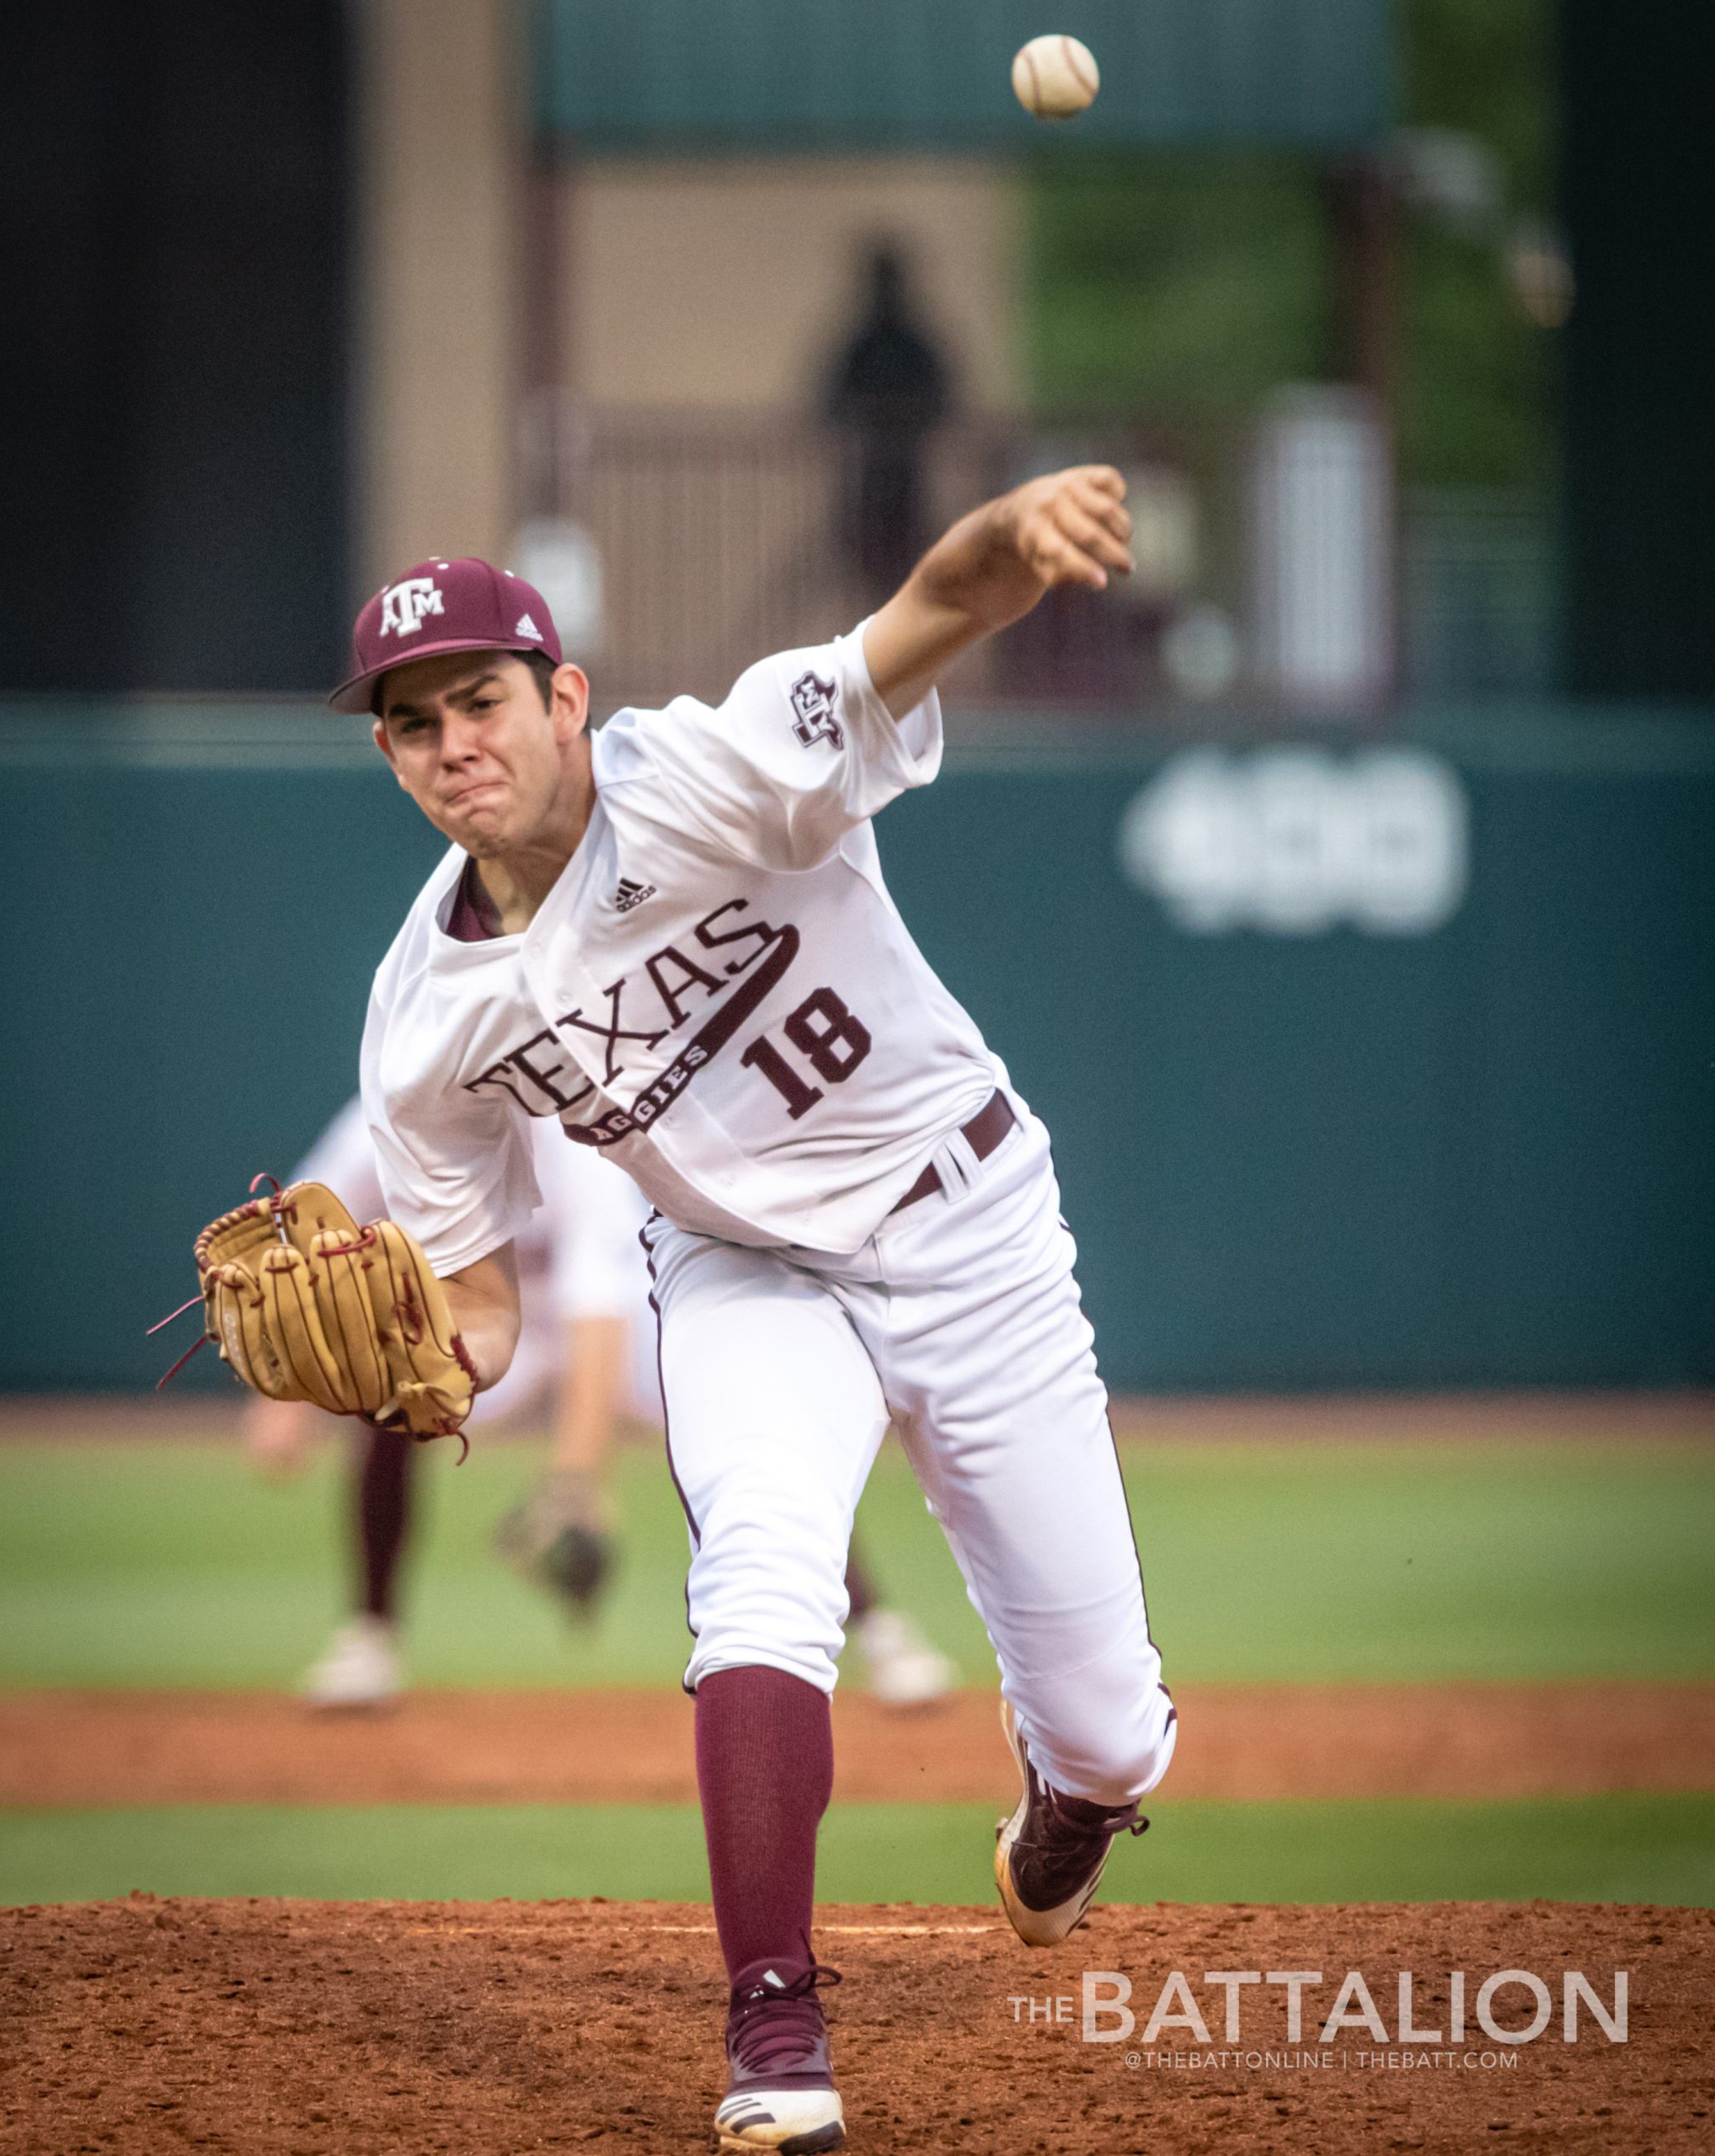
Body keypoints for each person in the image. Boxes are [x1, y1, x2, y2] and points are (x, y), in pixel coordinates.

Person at [334, 468, 1175, 2153]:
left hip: (972, 1227)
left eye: (481, 697)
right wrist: (434, 1367)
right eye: (412, 720)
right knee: (761, 1575)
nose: (452, 741)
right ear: (389, 753)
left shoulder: (705, 769)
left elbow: (916, 627)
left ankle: (1074, 1791)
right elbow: (483, 1294)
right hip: (743, 1275)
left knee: (1111, 1725)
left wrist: (1010, 537)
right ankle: (774, 2014)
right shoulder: (422, 1020)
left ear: (563, 698)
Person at [247, 1101, 957, 1714]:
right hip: (483, 1317)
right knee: (393, 1384)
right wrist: (280, 1401)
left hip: (626, 1313)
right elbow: (290, 1246)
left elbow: (598, 1312)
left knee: (744, 1426)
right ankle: (368, 1639)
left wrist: (577, 1478)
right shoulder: (396, 1113)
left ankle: (879, 1630)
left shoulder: (564, 1129)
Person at [824, 242, 953, 602]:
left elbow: (943, 401)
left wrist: (897, 419)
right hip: (868, 484)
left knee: (905, 571)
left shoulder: (911, 343)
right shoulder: (863, 344)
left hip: (905, 483)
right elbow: (829, 405)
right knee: (872, 571)